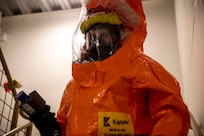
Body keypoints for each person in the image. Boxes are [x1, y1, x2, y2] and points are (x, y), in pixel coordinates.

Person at [57, 0, 190, 135]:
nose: (97, 43)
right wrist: (52, 129)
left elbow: (171, 113)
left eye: (103, 36)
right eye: (92, 38)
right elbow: (63, 125)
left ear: (118, 36)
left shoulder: (142, 68)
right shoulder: (74, 85)